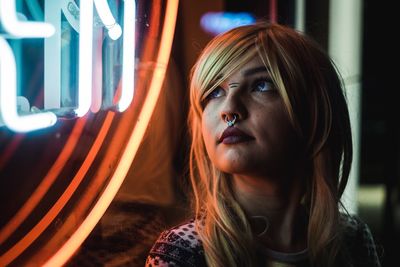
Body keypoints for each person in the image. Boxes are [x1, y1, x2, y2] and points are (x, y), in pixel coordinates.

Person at [145, 22, 381, 267]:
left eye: (261, 85)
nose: (229, 109)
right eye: (214, 92)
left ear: (314, 112)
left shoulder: (352, 240)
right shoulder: (181, 252)